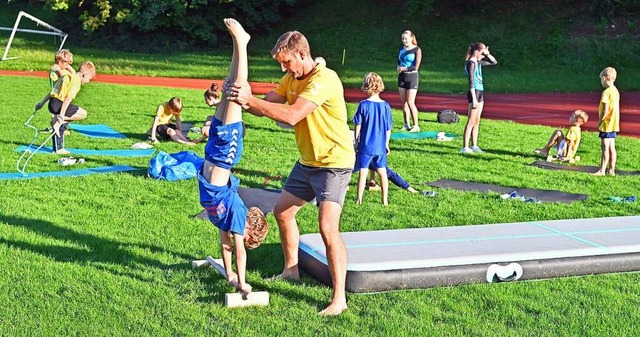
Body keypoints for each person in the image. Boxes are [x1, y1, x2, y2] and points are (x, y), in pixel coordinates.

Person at [227, 30, 355, 316]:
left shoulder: (324, 79)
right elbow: (266, 104)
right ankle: (291, 270)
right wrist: (240, 97)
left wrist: (251, 101)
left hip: (333, 162)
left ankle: (339, 299)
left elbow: (292, 114)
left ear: (301, 54)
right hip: (308, 161)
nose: (284, 69)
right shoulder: (291, 79)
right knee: (283, 212)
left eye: (286, 62)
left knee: (327, 228)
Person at [198, 18, 269, 296]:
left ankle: (237, 44)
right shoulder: (237, 218)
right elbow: (239, 251)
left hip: (214, 154)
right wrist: (242, 281)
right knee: (237, 92)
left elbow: (226, 247)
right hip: (224, 156)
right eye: (246, 239)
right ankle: (242, 42)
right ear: (248, 231)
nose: (239, 239)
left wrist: (227, 274)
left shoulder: (225, 224)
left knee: (228, 90)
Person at [35, 61, 96, 154]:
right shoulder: (76, 81)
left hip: (52, 103)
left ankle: (57, 148)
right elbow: (68, 98)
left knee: (62, 122)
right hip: (59, 104)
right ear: (84, 74)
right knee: (83, 114)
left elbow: (53, 91)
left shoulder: (68, 76)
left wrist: (41, 103)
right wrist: (61, 115)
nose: (88, 81)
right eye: (89, 78)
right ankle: (57, 122)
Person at [353, 72, 392, 206]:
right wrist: (386, 144)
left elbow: (358, 125)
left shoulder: (363, 105)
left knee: (363, 173)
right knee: (382, 173)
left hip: (365, 145)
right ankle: (385, 200)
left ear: (365, 86)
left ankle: (359, 199)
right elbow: (388, 128)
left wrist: (356, 141)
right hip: (380, 146)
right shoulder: (385, 106)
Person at [461, 42, 497, 154]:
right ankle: (465, 147)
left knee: (477, 121)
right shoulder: (471, 63)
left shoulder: (478, 62)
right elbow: (471, 81)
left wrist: (487, 53)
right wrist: (474, 99)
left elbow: (494, 62)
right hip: (474, 93)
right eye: (482, 53)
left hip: (480, 92)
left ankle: (474, 145)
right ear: (476, 52)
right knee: (471, 121)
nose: (483, 56)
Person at [592, 67, 620, 176]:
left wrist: (599, 122)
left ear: (604, 78)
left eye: (601, 80)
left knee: (605, 147)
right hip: (614, 123)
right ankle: (611, 170)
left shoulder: (606, 92)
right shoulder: (615, 90)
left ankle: (602, 170)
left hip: (607, 124)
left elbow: (605, 110)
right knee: (612, 147)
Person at [397, 30, 422, 133]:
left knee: (411, 102)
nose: (404, 41)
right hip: (402, 78)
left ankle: (416, 125)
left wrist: (404, 69)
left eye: (406, 38)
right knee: (404, 102)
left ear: (412, 38)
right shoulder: (401, 50)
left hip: (412, 77)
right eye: (403, 39)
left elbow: (416, 66)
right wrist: (398, 67)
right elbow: (399, 62)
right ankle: (406, 124)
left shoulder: (417, 50)